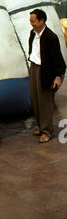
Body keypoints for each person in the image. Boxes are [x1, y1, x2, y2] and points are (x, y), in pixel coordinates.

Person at [28, 9, 66, 143]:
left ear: (42, 20)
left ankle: (46, 131)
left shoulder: (51, 37)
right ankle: (41, 125)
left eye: (33, 21)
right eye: (30, 21)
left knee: (45, 102)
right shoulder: (33, 34)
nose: (31, 24)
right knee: (34, 99)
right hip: (34, 68)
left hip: (45, 71)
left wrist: (57, 77)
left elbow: (58, 59)